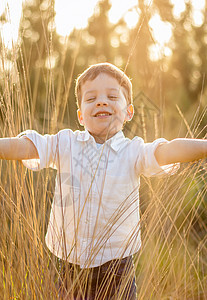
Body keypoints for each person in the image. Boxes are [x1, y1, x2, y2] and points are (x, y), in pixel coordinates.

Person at [0, 62, 206, 299]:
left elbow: (169, 150)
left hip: (117, 270)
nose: (101, 101)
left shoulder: (133, 152)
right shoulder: (65, 143)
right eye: (91, 98)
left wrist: (204, 147)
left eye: (111, 96)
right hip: (70, 266)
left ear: (128, 112)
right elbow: (26, 147)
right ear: (80, 116)